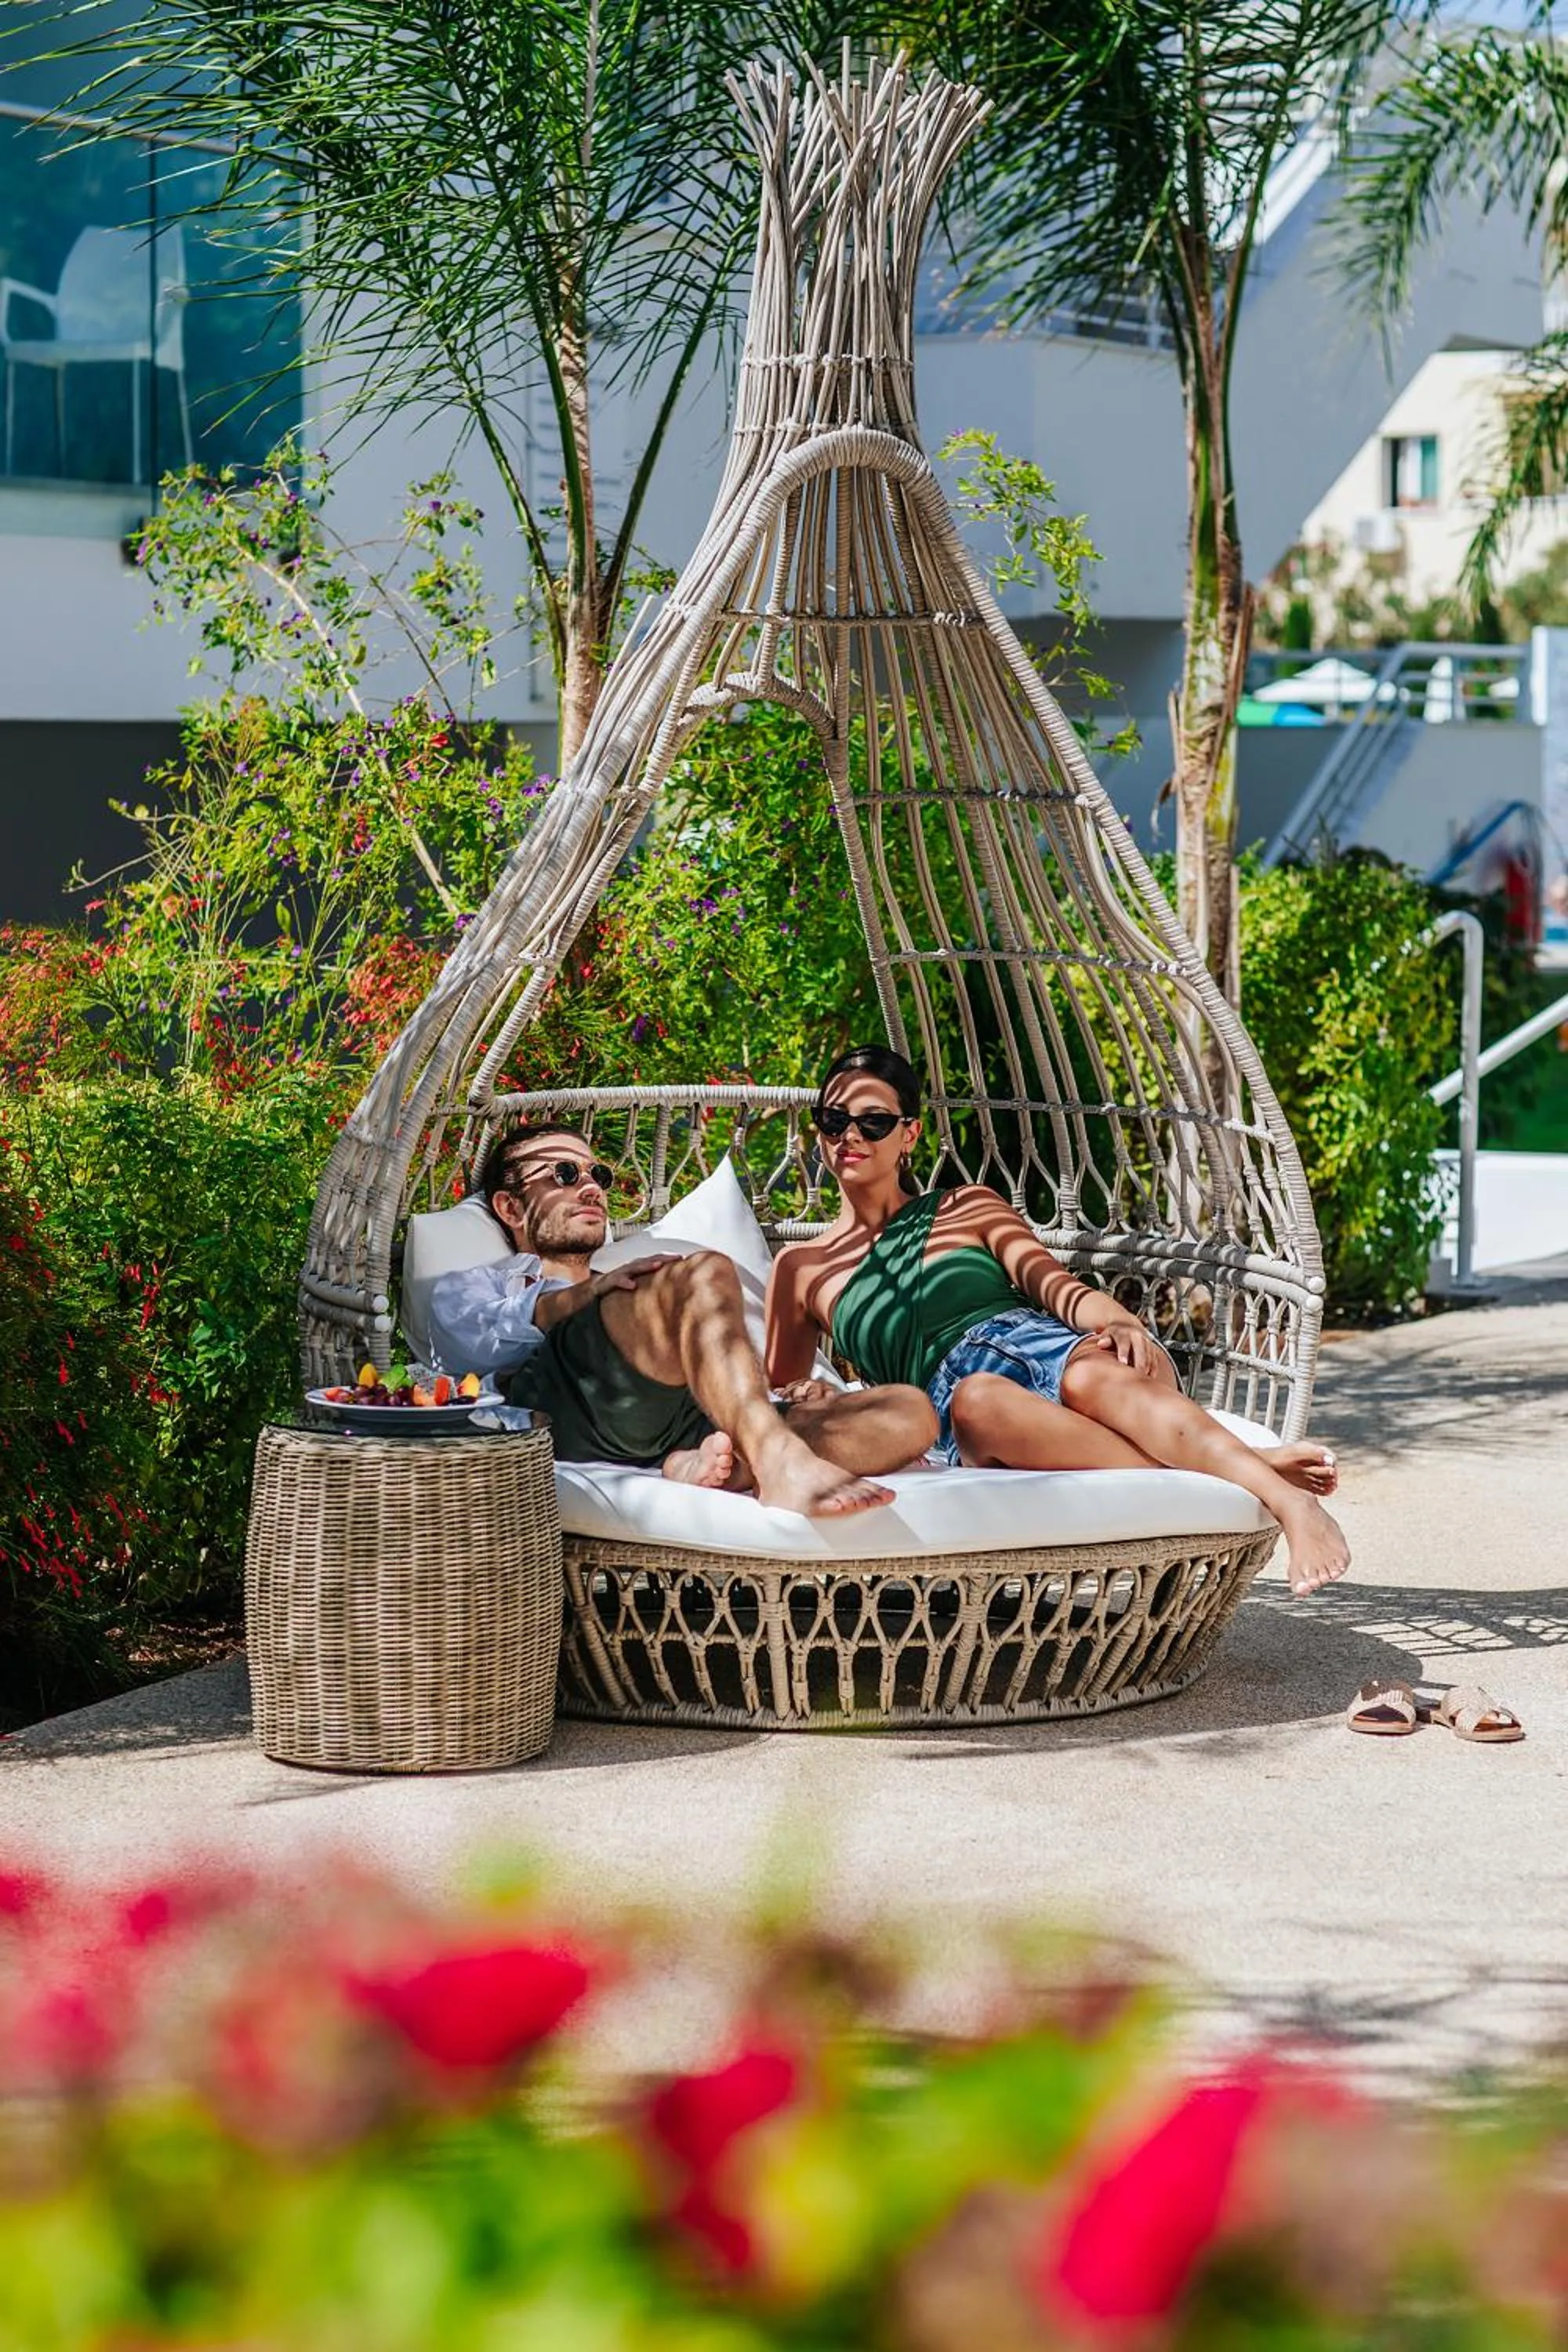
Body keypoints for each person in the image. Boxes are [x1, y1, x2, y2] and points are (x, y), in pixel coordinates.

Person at [764, 1046, 1351, 1595]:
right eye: (835, 1119)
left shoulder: (964, 1206)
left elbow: (1052, 1285)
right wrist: (816, 1396)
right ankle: (1241, 1464)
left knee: (1088, 1374)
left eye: (874, 1123)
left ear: (909, 1134)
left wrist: (1118, 1320)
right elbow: (780, 1396)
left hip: (1040, 1344)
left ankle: (1289, 1504)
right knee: (977, 1398)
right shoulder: (801, 1267)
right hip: (948, 1410)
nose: (850, 1136)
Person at [426, 1121, 938, 1518]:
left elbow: (718, 1361)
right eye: (565, 1175)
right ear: (511, 1208)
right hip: (564, 1401)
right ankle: (776, 1458)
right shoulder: (489, 1283)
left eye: (597, 1175)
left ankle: (702, 1463)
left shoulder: (632, 1277)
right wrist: (586, 1296)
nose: (590, 1187)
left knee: (909, 1412)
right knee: (705, 1270)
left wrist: (783, 1395)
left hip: (686, 1420)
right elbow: (468, 1342)